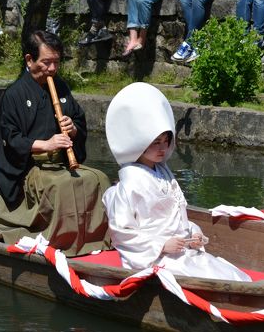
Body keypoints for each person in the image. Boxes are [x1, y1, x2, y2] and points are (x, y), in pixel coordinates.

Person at [102, 82, 251, 281]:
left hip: (180, 251)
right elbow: (122, 233)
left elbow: (175, 220)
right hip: (153, 257)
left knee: (229, 274)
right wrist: (161, 245)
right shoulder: (127, 186)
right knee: (209, 275)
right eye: (156, 142)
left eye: (166, 141)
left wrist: (193, 235)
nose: (162, 148)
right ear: (140, 142)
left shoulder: (164, 174)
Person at [0, 30, 110, 256]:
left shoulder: (60, 86)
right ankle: (63, 243)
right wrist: (45, 144)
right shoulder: (14, 94)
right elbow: (11, 139)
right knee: (60, 187)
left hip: (61, 163)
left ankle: (97, 239)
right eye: (46, 62)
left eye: (56, 62)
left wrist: (73, 129)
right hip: (31, 167)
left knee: (99, 179)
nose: (52, 69)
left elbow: (78, 119)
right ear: (29, 60)